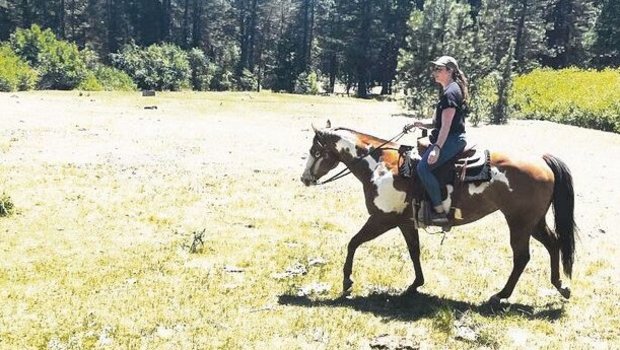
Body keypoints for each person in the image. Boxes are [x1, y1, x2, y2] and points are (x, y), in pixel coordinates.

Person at [404, 55, 469, 225]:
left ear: (450, 71)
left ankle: (440, 213)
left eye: (439, 69)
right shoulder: (449, 89)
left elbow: (446, 126)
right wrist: (418, 124)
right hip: (449, 137)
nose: (434, 72)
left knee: (423, 168)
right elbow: (436, 124)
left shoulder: (450, 93)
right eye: (434, 69)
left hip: (452, 139)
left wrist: (437, 148)